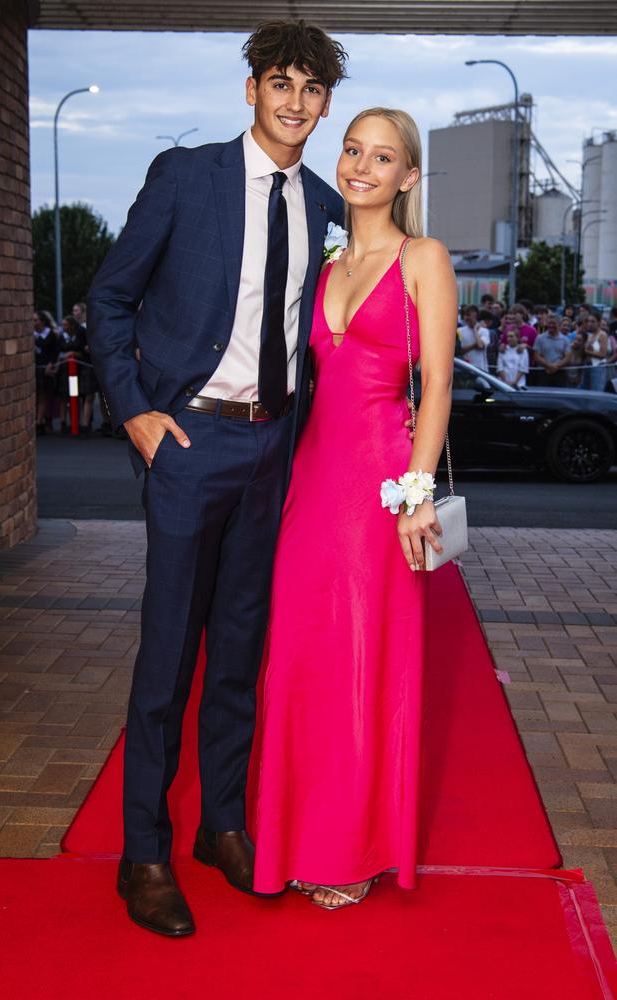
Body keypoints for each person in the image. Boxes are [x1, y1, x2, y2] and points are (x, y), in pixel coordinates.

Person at [87, 19, 348, 938]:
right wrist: (135, 413)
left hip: (274, 450)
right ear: (251, 89)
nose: (296, 103)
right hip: (190, 444)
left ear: (326, 103)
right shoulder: (186, 177)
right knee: (168, 656)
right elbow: (109, 298)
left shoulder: (324, 205)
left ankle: (221, 825)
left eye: (313, 90)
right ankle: (143, 853)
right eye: (281, 83)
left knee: (240, 652)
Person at [254, 107, 457, 908]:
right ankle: (293, 836)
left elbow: (437, 382)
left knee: (361, 662)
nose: (361, 166)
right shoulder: (324, 256)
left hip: (379, 488)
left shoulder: (424, 257)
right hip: (310, 483)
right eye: (352, 149)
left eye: (382, 157)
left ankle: (347, 850)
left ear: (407, 177)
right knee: (301, 660)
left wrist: (416, 495)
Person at [33, 309, 59, 434]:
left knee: (43, 396)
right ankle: (40, 420)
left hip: (45, 368)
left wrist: (52, 364)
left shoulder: (50, 334)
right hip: (35, 367)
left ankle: (39, 423)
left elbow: (55, 351)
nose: (33, 322)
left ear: (42, 321)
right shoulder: (32, 334)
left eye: (35, 320)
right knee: (36, 396)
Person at [533, 315, 568, 387]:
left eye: (553, 323)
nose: (551, 325)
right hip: (543, 372)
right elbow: (536, 356)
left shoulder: (565, 340)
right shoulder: (540, 338)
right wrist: (549, 365)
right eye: (549, 323)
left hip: (559, 372)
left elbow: (568, 357)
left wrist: (555, 366)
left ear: (558, 324)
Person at [457, 304, 489, 370]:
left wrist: (475, 331)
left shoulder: (484, 331)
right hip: (465, 369)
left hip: (481, 369)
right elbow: (459, 351)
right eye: (465, 315)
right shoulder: (459, 331)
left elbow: (480, 346)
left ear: (476, 315)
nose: (466, 318)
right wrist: (475, 345)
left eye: (468, 315)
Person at [583, 313, 608, 391]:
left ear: (599, 323)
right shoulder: (590, 335)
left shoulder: (602, 335)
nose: (590, 323)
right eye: (588, 321)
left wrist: (588, 352)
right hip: (587, 366)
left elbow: (603, 354)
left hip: (598, 367)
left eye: (593, 321)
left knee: (596, 392)